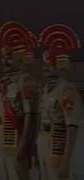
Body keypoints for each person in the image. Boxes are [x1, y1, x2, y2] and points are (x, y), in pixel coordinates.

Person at [37, 24, 83, 180]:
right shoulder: (47, 89)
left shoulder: (66, 90)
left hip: (58, 143)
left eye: (49, 65)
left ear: (59, 65)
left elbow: (72, 125)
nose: (45, 68)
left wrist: (66, 159)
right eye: (45, 64)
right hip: (44, 140)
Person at [0, 21, 39, 180]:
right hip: (2, 136)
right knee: (5, 173)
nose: (4, 61)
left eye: (8, 57)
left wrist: (24, 144)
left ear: (17, 58)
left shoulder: (25, 81)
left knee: (17, 174)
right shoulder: (5, 82)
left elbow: (30, 116)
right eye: (3, 57)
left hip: (16, 136)